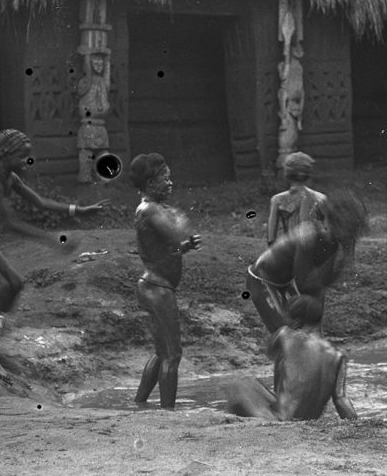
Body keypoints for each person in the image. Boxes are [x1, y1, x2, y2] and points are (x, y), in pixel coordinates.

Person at [0, 129, 106, 381]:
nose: (25, 161)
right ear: (5, 154)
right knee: (0, 288)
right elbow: (11, 224)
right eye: (21, 156)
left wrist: (79, 210)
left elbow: (39, 202)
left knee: (15, 284)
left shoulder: (10, 177)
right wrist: (52, 241)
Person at [130, 153, 202, 410]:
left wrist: (185, 247)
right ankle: (168, 414)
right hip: (157, 288)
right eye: (165, 180)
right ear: (150, 184)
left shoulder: (153, 208)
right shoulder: (150, 209)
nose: (170, 184)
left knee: (162, 353)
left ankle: (140, 403)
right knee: (173, 354)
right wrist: (181, 221)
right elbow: (174, 233)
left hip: (156, 286)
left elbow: (168, 249)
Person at [246, 190, 367, 335]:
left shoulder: (334, 241)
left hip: (286, 281)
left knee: (307, 325)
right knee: (285, 333)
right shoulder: (307, 237)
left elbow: (320, 285)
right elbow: (304, 284)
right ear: (330, 222)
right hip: (261, 279)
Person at [224, 294, 357, 421]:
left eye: (287, 317)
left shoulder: (285, 335)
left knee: (240, 384)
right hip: (309, 422)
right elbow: (341, 399)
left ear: (296, 321)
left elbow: (270, 350)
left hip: (282, 419)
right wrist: (357, 425)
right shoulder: (338, 356)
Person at [266, 151, 327, 246]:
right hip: (314, 249)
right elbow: (327, 228)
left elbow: (271, 236)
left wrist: (272, 249)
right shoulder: (321, 198)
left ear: (287, 173)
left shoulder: (277, 199)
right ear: (308, 173)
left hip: (290, 248)